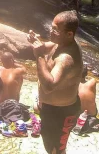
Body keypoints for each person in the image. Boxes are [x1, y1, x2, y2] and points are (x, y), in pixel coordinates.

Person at [29, 11, 84, 154]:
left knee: (57, 150)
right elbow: (47, 47)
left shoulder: (66, 58)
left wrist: (39, 56)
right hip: (50, 108)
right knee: (49, 145)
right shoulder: (61, 42)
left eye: (55, 30)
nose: (50, 31)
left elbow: (49, 86)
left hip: (61, 113)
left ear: (69, 34)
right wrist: (36, 42)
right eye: (51, 27)